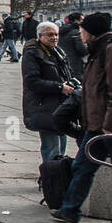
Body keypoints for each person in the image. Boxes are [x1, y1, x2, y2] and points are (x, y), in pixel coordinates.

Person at [51, 13, 112, 223]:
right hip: (97, 125)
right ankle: (70, 209)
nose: (79, 34)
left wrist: (110, 126)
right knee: (82, 167)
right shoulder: (99, 49)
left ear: (91, 32)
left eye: (82, 30)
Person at [22, 21, 74, 163]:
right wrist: (59, 87)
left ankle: (57, 177)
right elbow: (32, 81)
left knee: (61, 146)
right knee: (51, 147)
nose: (54, 38)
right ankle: (50, 180)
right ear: (40, 36)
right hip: (44, 106)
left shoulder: (58, 51)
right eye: (50, 34)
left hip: (60, 105)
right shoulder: (33, 53)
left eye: (56, 34)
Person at [59, 12, 89, 80]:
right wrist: (88, 49)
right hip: (75, 61)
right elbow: (81, 48)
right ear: (76, 20)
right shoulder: (76, 32)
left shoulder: (61, 30)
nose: (83, 21)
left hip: (62, 59)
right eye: (82, 19)